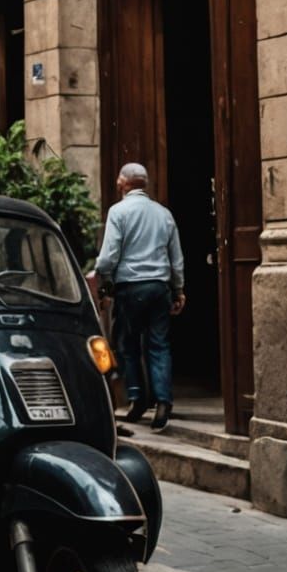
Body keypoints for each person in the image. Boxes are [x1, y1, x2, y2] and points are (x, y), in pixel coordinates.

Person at [94, 162, 184, 432]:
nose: (117, 182)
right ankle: (163, 402)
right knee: (159, 345)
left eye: (119, 179)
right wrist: (178, 289)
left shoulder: (118, 211)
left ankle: (137, 398)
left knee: (127, 344)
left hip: (130, 288)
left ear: (124, 182)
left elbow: (109, 256)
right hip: (159, 287)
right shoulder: (164, 214)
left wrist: (102, 276)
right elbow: (176, 258)